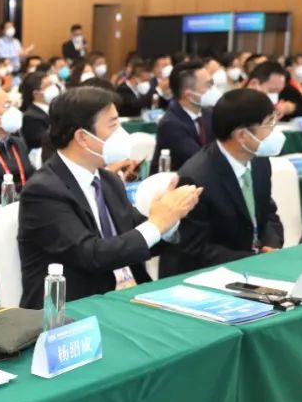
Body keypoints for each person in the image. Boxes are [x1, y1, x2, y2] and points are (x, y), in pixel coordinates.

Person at [17, 86, 200, 308]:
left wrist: (169, 218)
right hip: (73, 310)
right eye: (113, 125)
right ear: (83, 137)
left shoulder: (108, 180)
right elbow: (91, 254)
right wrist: (156, 224)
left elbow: (135, 238)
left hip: (126, 297)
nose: (122, 133)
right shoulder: (43, 191)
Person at [158, 89, 283, 277]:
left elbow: (268, 214)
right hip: (205, 275)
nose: (273, 130)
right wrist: (254, 258)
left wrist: (271, 246)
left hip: (253, 266)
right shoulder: (195, 178)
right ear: (242, 135)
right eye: (269, 123)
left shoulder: (259, 161)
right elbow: (195, 249)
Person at [151, 61, 216, 172]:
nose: (212, 89)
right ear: (189, 95)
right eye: (208, 85)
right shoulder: (170, 124)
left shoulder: (210, 113)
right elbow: (200, 160)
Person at [20, 71, 57, 154]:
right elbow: (44, 141)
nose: (53, 88)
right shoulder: (31, 117)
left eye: (52, 84)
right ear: (36, 94)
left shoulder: (54, 108)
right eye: (48, 85)